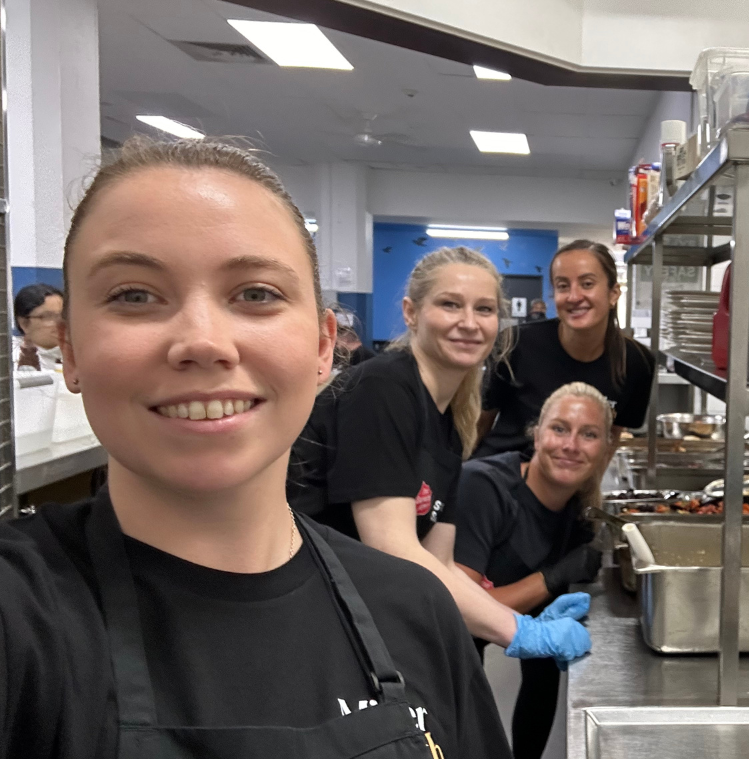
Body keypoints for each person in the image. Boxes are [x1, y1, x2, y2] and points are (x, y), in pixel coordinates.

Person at [0, 136, 510, 758]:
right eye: (134, 295)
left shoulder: (416, 611)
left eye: (256, 294)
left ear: (325, 347)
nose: (203, 341)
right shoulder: (22, 622)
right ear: (72, 351)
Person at [288, 246, 591, 665]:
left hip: (355, 611)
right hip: (306, 617)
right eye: (450, 304)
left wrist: (511, 620)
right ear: (411, 312)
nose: (469, 323)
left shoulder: (450, 422)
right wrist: (519, 631)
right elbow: (392, 548)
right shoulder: (384, 389)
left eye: (484, 309)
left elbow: (439, 562)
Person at [455, 382, 608, 759]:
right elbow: (460, 608)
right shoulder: (485, 488)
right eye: (559, 429)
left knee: (543, 671)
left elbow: (539, 658)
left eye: (588, 435)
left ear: (605, 449)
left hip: (484, 639)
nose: (571, 445)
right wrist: (551, 577)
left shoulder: (578, 516)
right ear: (536, 435)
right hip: (440, 645)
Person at [475, 239, 654, 459]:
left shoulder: (637, 362)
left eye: (587, 284)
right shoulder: (514, 343)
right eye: (562, 286)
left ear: (613, 294)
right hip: (498, 478)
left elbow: (610, 440)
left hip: (566, 484)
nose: (574, 296)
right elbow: (479, 424)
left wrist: (588, 492)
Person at [12, 283, 64, 371]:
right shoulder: (10, 362)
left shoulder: (79, 355)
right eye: (48, 316)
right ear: (24, 323)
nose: (60, 323)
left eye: (63, 315)